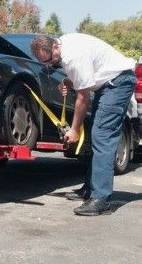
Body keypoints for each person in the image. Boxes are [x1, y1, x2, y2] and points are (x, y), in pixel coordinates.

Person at [31, 34, 136, 216]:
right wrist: (67, 81)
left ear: (55, 46)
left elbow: (83, 97)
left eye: (49, 59)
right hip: (107, 84)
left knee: (102, 136)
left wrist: (74, 129)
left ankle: (100, 199)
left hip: (118, 83)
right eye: (44, 62)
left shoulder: (72, 56)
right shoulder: (64, 48)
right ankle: (90, 189)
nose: (49, 64)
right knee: (97, 134)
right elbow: (85, 76)